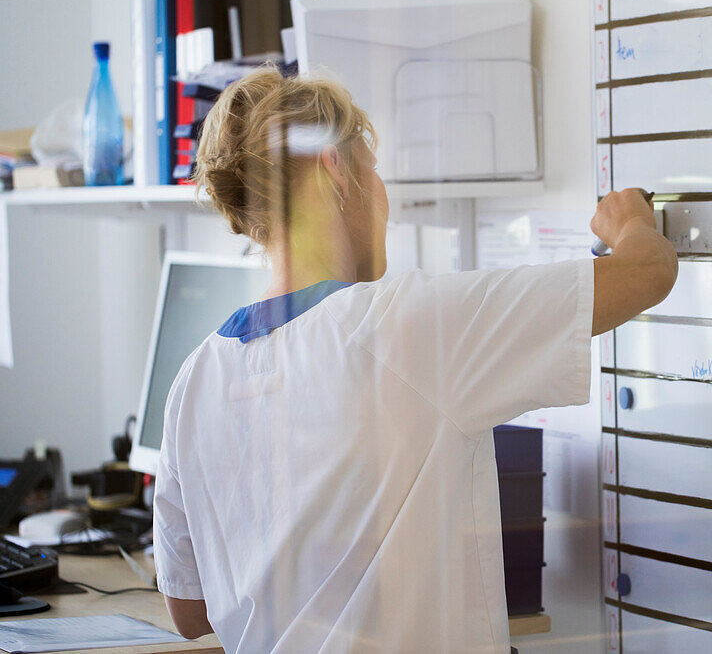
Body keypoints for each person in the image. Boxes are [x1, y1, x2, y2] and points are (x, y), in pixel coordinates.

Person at [152, 67, 677, 652]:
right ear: (335, 170)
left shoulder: (193, 382)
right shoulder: (404, 326)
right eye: (372, 168)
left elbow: (190, 610)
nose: (386, 201)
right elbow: (647, 274)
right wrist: (629, 220)